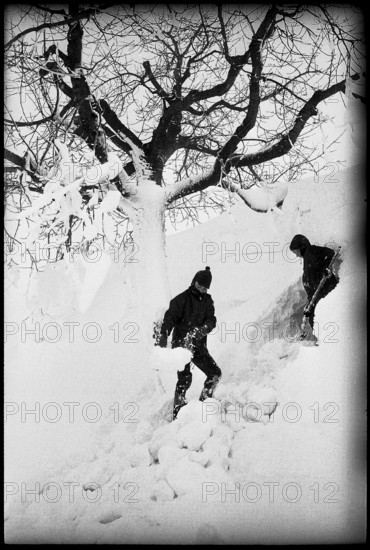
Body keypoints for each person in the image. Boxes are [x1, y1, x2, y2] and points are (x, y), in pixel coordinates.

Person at [156, 266, 222, 420]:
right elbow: (170, 317)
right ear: (194, 282)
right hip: (182, 346)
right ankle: (178, 414)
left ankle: (204, 405)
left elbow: (211, 319)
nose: (201, 290)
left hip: (198, 345)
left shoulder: (207, 301)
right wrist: (164, 334)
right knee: (184, 379)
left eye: (205, 288)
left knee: (215, 374)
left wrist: (204, 329)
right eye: (199, 286)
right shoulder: (181, 300)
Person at [289, 234, 340, 335]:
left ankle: (324, 341)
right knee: (314, 318)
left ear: (301, 246)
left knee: (319, 317)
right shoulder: (307, 261)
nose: (296, 255)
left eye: (296, 251)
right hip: (319, 294)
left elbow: (330, 254)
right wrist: (309, 306)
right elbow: (311, 285)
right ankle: (321, 342)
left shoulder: (311, 250)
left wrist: (325, 268)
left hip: (327, 288)